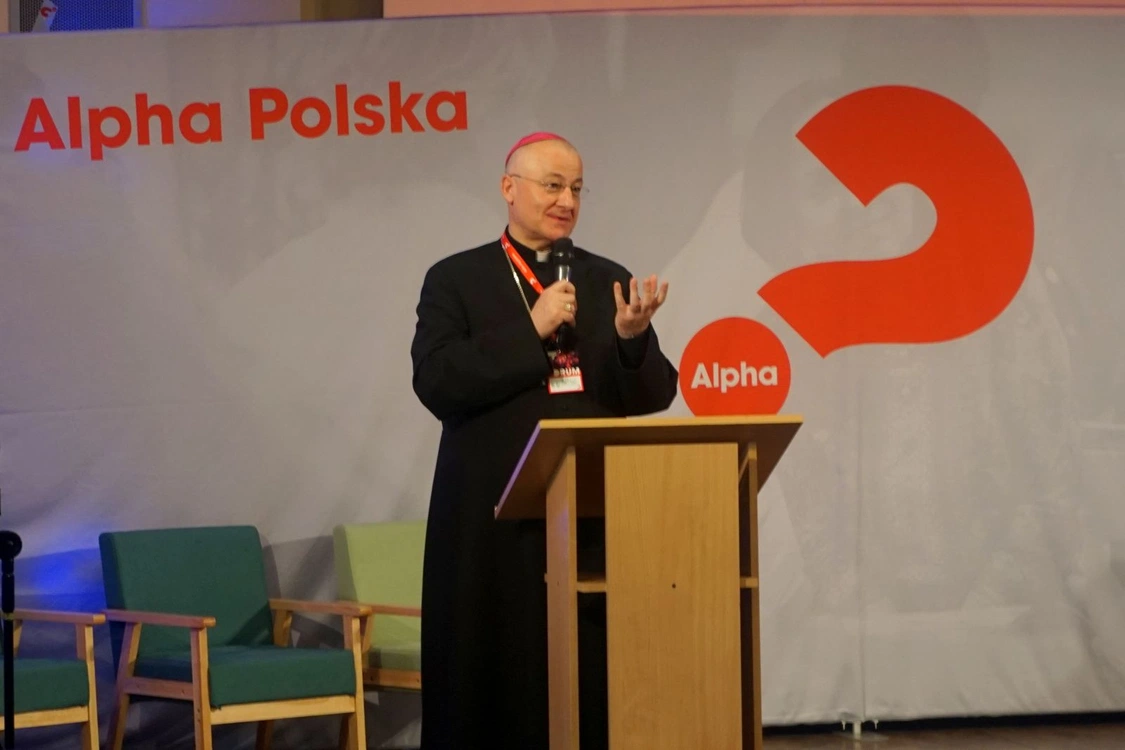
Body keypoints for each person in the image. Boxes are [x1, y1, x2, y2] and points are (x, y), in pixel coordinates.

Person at [410, 132, 679, 749]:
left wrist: (633, 341)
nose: (567, 201)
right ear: (509, 188)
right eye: (553, 185)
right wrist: (529, 330)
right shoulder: (456, 279)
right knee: (492, 669)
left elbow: (652, 394)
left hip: (587, 511)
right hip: (490, 514)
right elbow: (436, 381)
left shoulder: (606, 278)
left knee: (586, 669)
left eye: (577, 188)